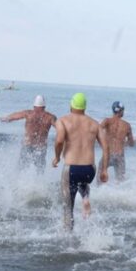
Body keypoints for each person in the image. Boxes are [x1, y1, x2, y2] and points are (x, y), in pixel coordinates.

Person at [52, 93, 109, 231]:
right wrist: (104, 169)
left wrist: (57, 157)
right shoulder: (94, 123)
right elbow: (106, 147)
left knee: (68, 206)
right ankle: (85, 198)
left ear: (71, 105)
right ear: (84, 107)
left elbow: (59, 140)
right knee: (83, 183)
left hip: (71, 168)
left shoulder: (63, 121)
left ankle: (68, 235)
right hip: (90, 169)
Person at [1, 95, 56, 172]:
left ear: (34, 106)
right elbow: (60, 128)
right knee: (40, 170)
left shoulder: (28, 113)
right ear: (44, 107)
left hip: (27, 145)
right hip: (40, 147)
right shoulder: (50, 117)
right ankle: (39, 183)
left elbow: (14, 116)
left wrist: (4, 118)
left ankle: (16, 182)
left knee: (21, 168)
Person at [98, 101, 134, 181]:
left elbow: (97, 131)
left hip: (108, 155)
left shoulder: (107, 121)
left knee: (100, 179)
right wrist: (125, 143)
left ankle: (99, 193)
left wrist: (103, 141)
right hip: (119, 156)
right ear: (121, 111)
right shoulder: (127, 125)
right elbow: (131, 143)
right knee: (121, 182)